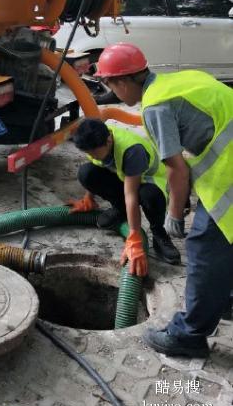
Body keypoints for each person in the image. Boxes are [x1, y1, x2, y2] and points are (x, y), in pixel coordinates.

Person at [95, 43, 233, 358]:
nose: (112, 93)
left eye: (109, 85)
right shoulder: (176, 80)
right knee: (226, 242)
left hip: (229, 172)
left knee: (204, 246)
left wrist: (174, 214)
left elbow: (176, 168)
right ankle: (225, 298)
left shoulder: (154, 106)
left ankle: (189, 336)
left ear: (123, 82)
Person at [70, 118, 180, 276]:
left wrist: (134, 237)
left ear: (108, 140)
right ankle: (119, 210)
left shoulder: (132, 151)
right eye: (88, 152)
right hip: (124, 177)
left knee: (149, 196)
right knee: (86, 174)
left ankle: (159, 233)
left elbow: (131, 195)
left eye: (94, 151)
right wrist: (89, 197)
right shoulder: (94, 139)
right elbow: (96, 165)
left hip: (150, 181)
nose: (92, 155)